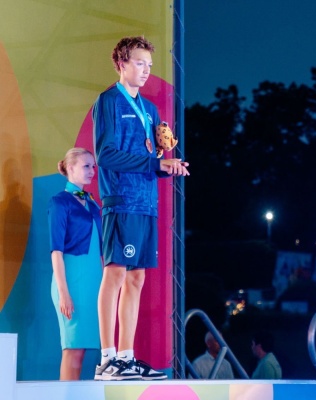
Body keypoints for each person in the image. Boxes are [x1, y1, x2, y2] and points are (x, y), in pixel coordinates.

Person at [92, 36, 190, 381]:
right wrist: (153, 164)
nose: (146, 70)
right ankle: (107, 360)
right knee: (115, 274)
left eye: (149, 65)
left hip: (147, 203)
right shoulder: (108, 101)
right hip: (121, 200)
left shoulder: (150, 110)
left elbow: (151, 156)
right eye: (139, 63)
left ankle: (126, 357)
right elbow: (105, 155)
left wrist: (167, 165)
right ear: (121, 64)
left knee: (136, 278)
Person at [48, 148, 103, 380]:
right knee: (73, 349)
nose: (92, 171)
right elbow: (56, 251)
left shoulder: (92, 203)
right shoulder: (59, 202)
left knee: (84, 351)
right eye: (86, 166)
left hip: (94, 281)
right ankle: (66, 395)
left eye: (93, 166)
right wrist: (64, 293)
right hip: (71, 280)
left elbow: (100, 249)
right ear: (70, 168)